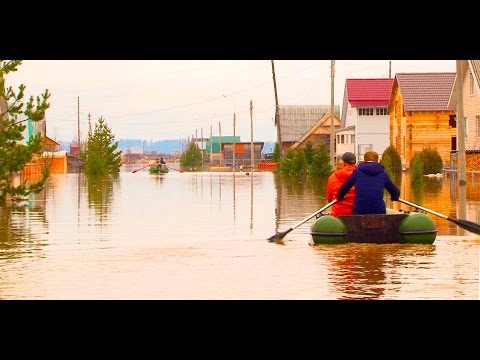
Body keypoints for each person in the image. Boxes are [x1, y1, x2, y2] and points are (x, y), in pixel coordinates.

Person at [326, 152, 358, 216]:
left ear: (343, 163)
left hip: (338, 215)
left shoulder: (333, 177)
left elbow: (329, 199)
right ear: (355, 163)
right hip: (357, 214)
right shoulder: (362, 176)